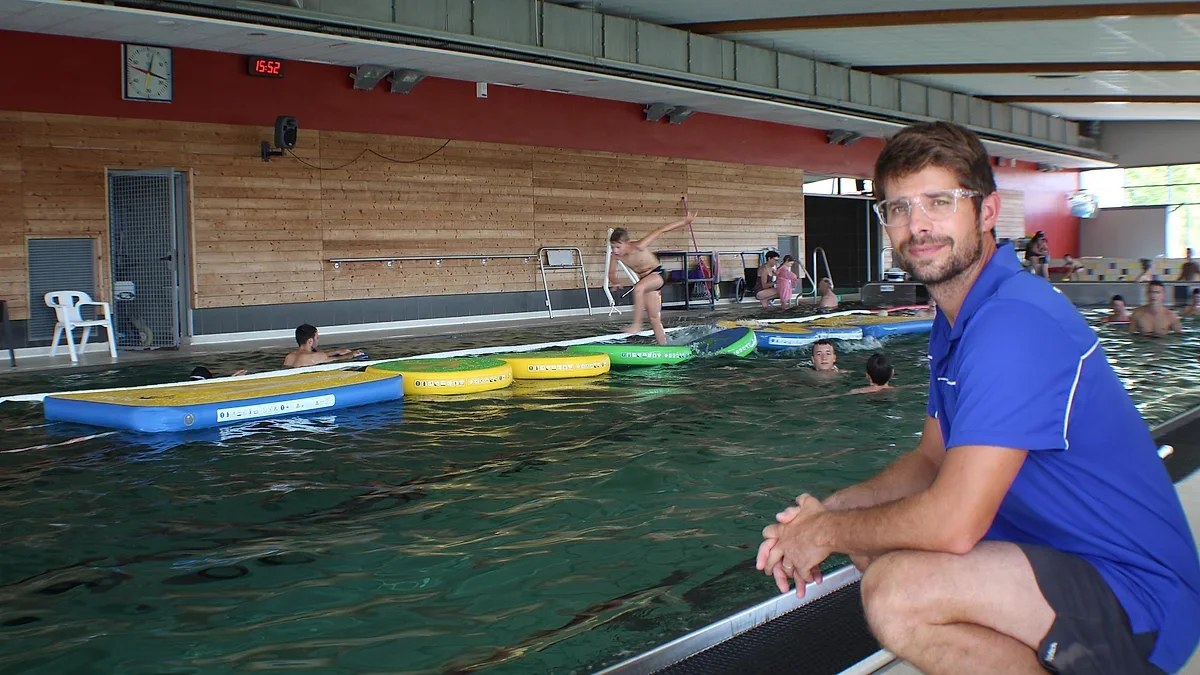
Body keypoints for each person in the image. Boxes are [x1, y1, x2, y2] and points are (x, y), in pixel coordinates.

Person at [756, 121, 1200, 675]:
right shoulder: (956, 317)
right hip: (1049, 552)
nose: (917, 225)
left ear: (987, 212)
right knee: (872, 543)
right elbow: (930, 460)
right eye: (898, 208)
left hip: (1134, 594)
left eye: (939, 201)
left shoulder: (1013, 321)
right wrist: (828, 511)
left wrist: (822, 533)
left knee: (900, 592)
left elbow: (953, 524)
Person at [608, 212, 699, 344]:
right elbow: (611, 273)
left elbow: (660, 230)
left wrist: (685, 221)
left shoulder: (639, 246)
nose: (615, 250)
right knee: (654, 317)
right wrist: (615, 281)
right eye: (613, 247)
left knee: (638, 288)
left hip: (658, 273)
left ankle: (637, 325)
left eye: (618, 246)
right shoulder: (616, 256)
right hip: (646, 280)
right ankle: (664, 346)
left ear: (627, 244)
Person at [283, 324, 365, 368]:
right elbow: (337, 359)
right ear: (310, 341)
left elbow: (321, 355)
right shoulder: (314, 356)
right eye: (317, 338)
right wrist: (352, 354)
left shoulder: (289, 356)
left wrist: (337, 351)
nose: (318, 340)